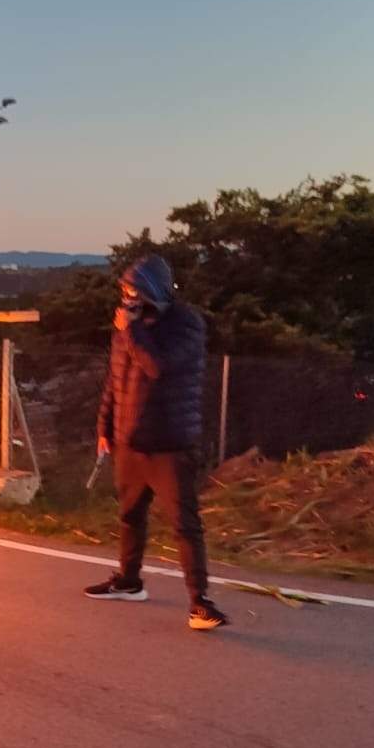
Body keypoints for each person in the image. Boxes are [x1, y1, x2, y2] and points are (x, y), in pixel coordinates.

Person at [85, 254, 229, 631]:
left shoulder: (185, 324)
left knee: (184, 523)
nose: (128, 297)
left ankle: (200, 602)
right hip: (129, 440)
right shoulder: (128, 326)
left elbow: (157, 366)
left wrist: (131, 330)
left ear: (153, 289)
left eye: (134, 290)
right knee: (130, 516)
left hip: (169, 442)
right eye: (125, 290)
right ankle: (129, 581)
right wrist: (105, 426)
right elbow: (114, 379)